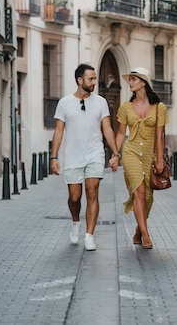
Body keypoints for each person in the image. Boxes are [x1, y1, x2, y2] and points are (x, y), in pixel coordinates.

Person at [50, 63, 121, 251]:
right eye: (91, 79)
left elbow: (107, 128)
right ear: (79, 80)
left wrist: (115, 153)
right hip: (73, 156)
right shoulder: (64, 103)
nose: (94, 82)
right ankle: (75, 222)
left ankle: (89, 235)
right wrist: (53, 157)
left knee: (92, 191)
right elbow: (58, 132)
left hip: (94, 154)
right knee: (74, 197)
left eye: (95, 78)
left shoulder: (101, 102)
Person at [115, 67, 169, 249]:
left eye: (133, 79)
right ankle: (146, 235)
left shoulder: (159, 108)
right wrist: (116, 154)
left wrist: (160, 160)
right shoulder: (125, 107)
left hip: (149, 155)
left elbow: (160, 135)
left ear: (143, 82)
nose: (130, 83)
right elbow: (121, 133)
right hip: (130, 152)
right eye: (129, 79)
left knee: (147, 196)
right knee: (138, 191)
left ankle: (139, 229)